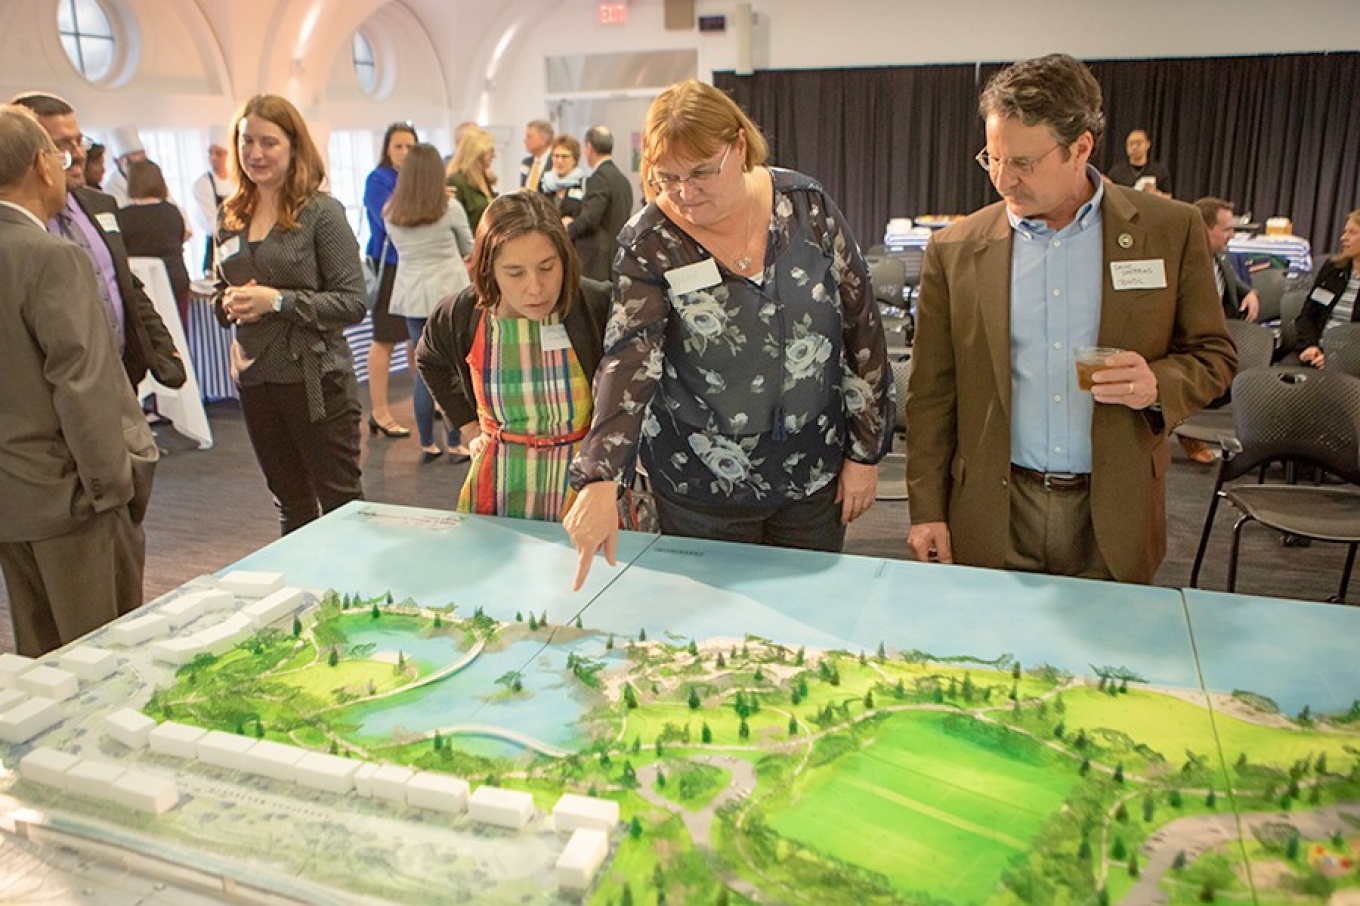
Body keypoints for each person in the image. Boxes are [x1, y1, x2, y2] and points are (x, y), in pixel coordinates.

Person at [905, 53, 1236, 585]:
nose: (1003, 180)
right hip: (993, 509)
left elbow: (1214, 355)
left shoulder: (1169, 231)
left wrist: (1158, 384)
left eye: (1022, 163)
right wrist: (926, 510)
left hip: (1114, 509)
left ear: (1080, 148)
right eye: (992, 158)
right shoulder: (955, 249)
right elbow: (930, 394)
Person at [564, 79, 894, 589]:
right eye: (667, 177)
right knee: (713, 624)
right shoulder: (650, 241)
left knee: (809, 610)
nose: (685, 191)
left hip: (811, 472)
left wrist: (865, 452)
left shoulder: (805, 206)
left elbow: (861, 327)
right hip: (700, 485)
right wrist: (601, 476)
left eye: (701, 171)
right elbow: (630, 357)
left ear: (739, 145)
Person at [0, 104, 159, 656]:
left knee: (41, 659)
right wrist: (114, 492)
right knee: (104, 661)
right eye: (58, 152)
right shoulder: (51, 257)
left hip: (13, 499)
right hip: (74, 500)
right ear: (40, 166)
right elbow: (82, 386)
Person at [212, 94, 367, 535]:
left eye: (269, 142)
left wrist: (278, 301)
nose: (255, 153)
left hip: (316, 381)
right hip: (256, 379)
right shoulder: (230, 215)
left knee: (340, 504)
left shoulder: (322, 213)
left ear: (294, 146)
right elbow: (220, 288)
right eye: (247, 141)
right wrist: (227, 304)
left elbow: (353, 302)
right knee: (291, 503)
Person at [417, 192, 610, 520]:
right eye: (515, 273)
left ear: (566, 259)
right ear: (489, 269)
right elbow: (429, 359)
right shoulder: (461, 314)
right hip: (499, 484)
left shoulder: (596, 305)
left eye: (547, 267)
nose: (535, 288)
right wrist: (468, 427)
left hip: (582, 486)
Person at [11, 92, 186, 393]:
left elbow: (124, 282)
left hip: (123, 376)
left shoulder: (101, 205)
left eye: (79, 141)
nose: (78, 154)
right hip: (56, 387)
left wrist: (161, 347)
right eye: (62, 145)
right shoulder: (18, 226)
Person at [382, 142, 475, 462]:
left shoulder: (391, 212)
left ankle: (426, 441)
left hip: (411, 295)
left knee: (424, 369)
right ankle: (456, 441)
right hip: (448, 294)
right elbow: (469, 246)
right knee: (455, 368)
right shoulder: (450, 208)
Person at [362, 121, 419, 439]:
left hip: (414, 266)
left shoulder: (416, 179)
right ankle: (380, 411)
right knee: (384, 339)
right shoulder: (378, 179)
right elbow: (392, 218)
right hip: (390, 268)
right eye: (398, 146)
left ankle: (427, 401)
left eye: (410, 146)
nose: (404, 152)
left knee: (417, 339)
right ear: (387, 148)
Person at [117, 159, 192, 327]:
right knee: (178, 331)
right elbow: (183, 237)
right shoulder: (173, 211)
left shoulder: (123, 216)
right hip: (176, 280)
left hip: (143, 286)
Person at [1291, 209, 1360, 369]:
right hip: (1316, 353)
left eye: (1352, 233)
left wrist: (1338, 358)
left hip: (1353, 361)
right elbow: (1307, 315)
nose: (1343, 238)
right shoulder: (1332, 269)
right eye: (1345, 232)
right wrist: (1310, 345)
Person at [566, 125, 634, 282]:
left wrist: (568, 228)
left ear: (589, 147)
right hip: (618, 256)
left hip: (598, 263)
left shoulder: (599, 179)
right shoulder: (622, 180)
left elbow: (590, 219)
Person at [190, 125, 235, 276]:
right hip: (216, 249)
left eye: (219, 153)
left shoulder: (238, 181)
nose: (213, 158)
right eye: (210, 153)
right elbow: (211, 223)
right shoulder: (203, 184)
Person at [446, 127, 497, 233]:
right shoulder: (457, 181)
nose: (494, 155)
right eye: (491, 150)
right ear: (479, 152)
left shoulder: (486, 179)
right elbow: (456, 223)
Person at [1107, 128, 1173, 196]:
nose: (1134, 147)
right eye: (1131, 143)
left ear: (1147, 144)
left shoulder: (1160, 171)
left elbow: (1168, 197)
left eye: (1138, 143)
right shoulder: (1116, 172)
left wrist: (1155, 193)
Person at [542, 134, 586, 219]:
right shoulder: (544, 184)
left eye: (564, 156)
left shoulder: (583, 184)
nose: (559, 161)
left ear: (575, 159)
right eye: (556, 156)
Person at [104, 125, 147, 207]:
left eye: (143, 159)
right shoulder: (111, 187)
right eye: (133, 164)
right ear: (119, 162)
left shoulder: (152, 177)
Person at [520, 119, 553, 193]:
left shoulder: (555, 162)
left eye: (529, 137)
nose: (525, 140)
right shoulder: (526, 163)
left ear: (543, 139)